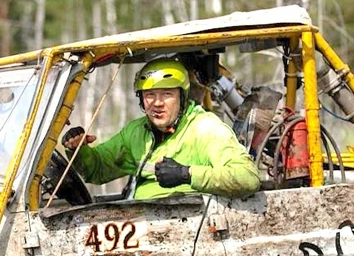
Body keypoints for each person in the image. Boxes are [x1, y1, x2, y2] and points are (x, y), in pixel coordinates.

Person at [61, 58, 260, 200]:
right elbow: (97, 171)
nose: (157, 103)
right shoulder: (136, 133)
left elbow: (247, 177)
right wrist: (78, 150)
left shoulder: (205, 128)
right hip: (144, 228)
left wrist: (187, 174)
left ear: (182, 97)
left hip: (194, 233)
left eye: (167, 94)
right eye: (149, 94)